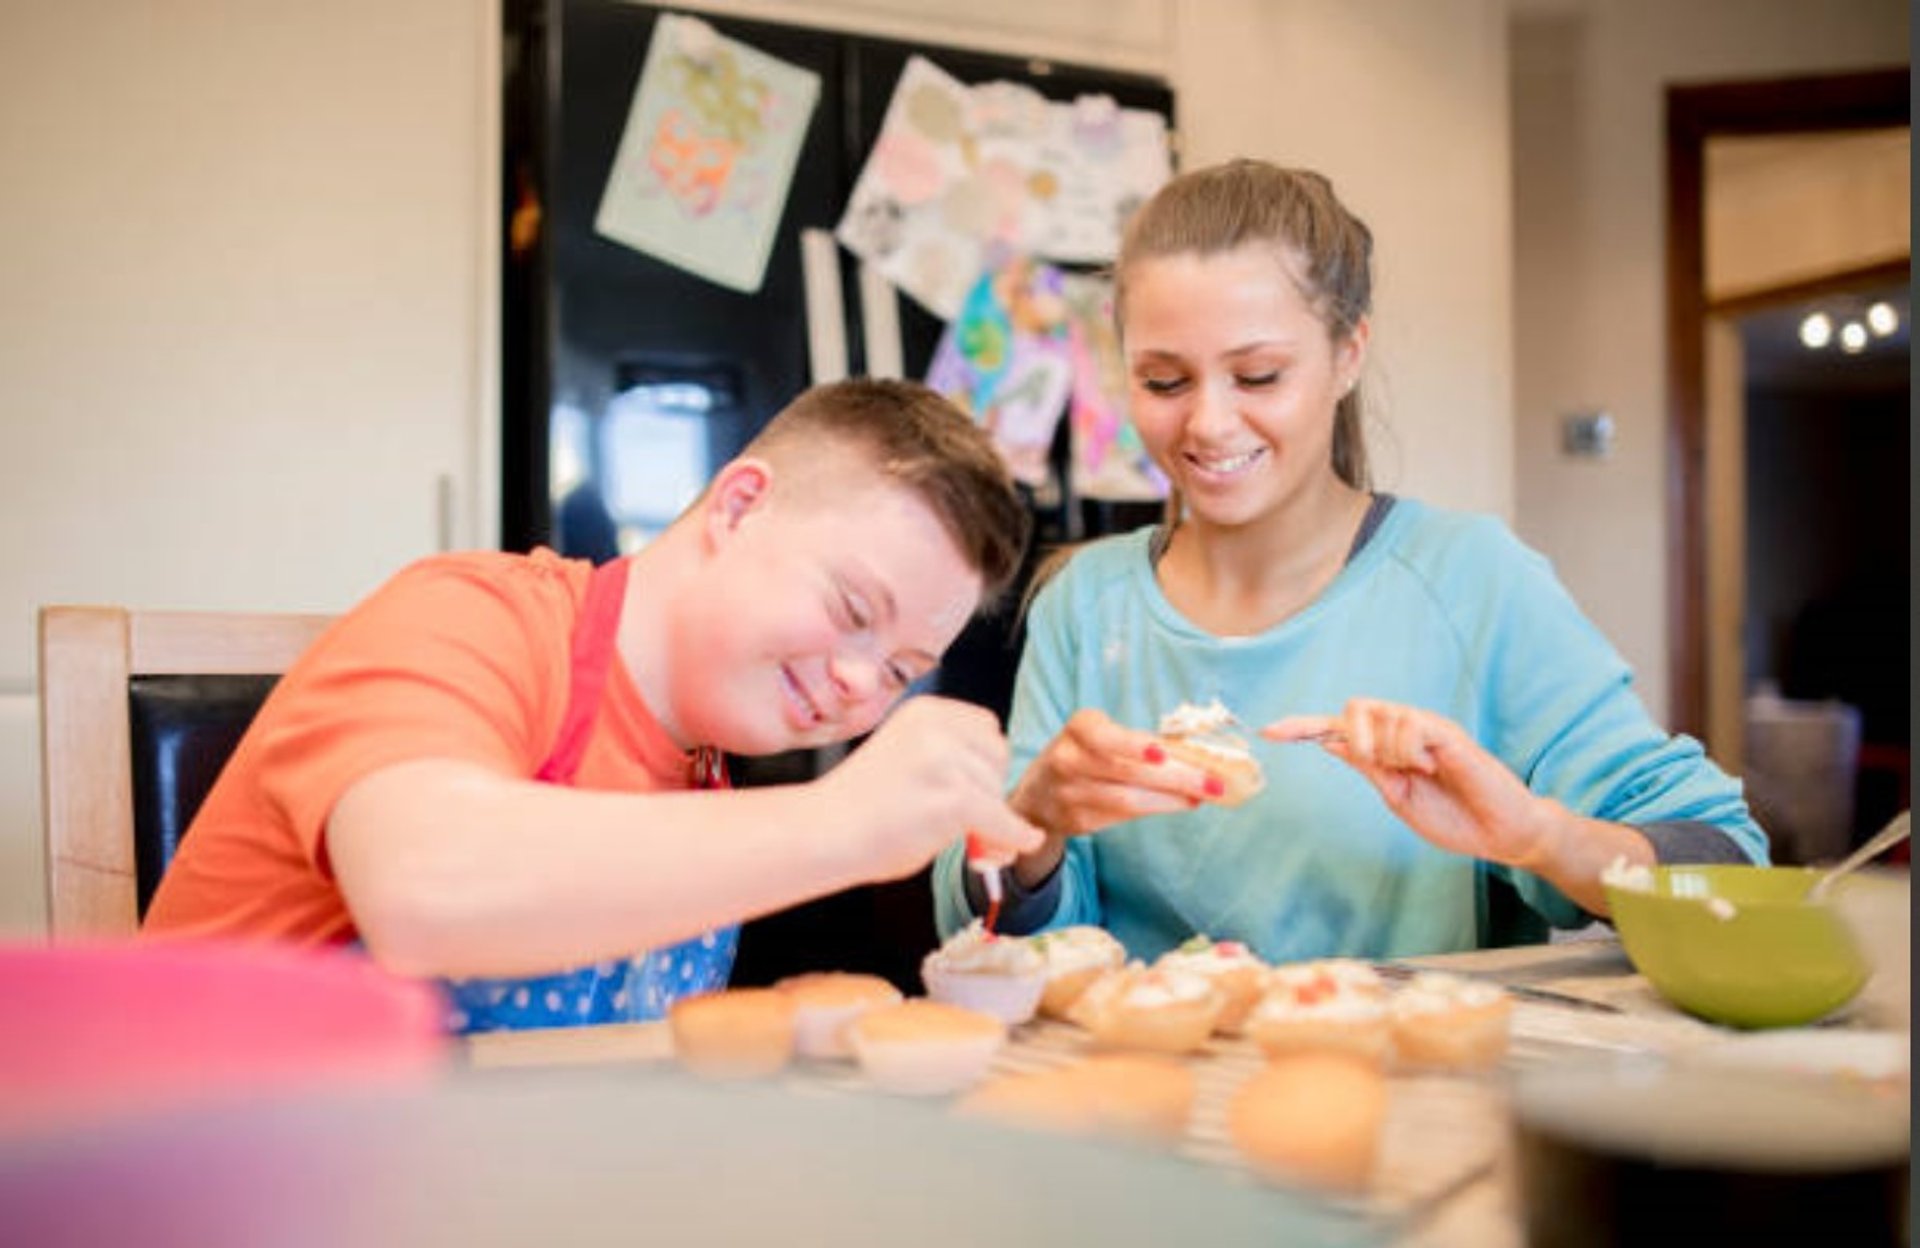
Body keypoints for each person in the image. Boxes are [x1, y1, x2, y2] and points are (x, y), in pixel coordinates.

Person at [932, 160, 1765, 963]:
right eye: (1163, 381)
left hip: (1411, 1098)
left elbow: (1728, 867)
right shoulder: (1086, 603)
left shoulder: (1471, 582)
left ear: (1348, 354)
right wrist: (1031, 825)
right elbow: (1000, 934)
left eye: (1258, 375)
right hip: (1147, 1092)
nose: (1209, 424)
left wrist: (1539, 838)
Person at [144, 378, 1043, 1028]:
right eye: (852, 611)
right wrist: (843, 822)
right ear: (738, 505)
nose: (859, 684)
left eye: (900, 670)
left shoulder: (706, 757)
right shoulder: (473, 617)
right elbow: (425, 889)